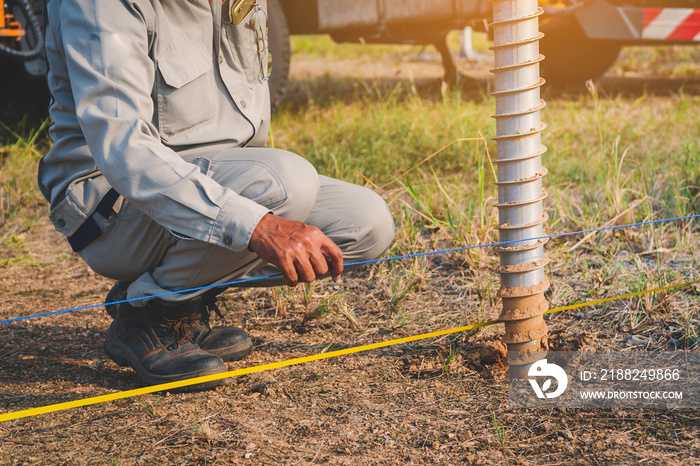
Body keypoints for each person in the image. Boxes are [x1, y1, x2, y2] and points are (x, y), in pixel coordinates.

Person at [38, 0, 394, 391]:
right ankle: (149, 313)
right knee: (285, 184)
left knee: (366, 223)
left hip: (211, 178)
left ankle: (182, 293)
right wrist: (255, 223)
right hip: (112, 204)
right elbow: (126, 153)